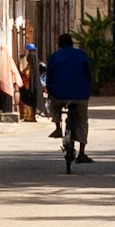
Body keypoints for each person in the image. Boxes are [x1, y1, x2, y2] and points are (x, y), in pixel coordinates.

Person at [44, 32, 93, 161]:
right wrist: (87, 89)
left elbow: (49, 76)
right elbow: (88, 74)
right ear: (72, 42)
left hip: (59, 94)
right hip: (80, 95)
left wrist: (50, 91)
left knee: (54, 106)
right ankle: (82, 153)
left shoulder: (55, 56)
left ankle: (57, 127)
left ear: (59, 44)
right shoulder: (81, 54)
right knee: (82, 120)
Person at [19, 42, 39, 122]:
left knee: (27, 100)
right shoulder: (33, 65)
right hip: (30, 85)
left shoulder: (30, 68)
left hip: (28, 85)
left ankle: (29, 115)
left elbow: (27, 74)